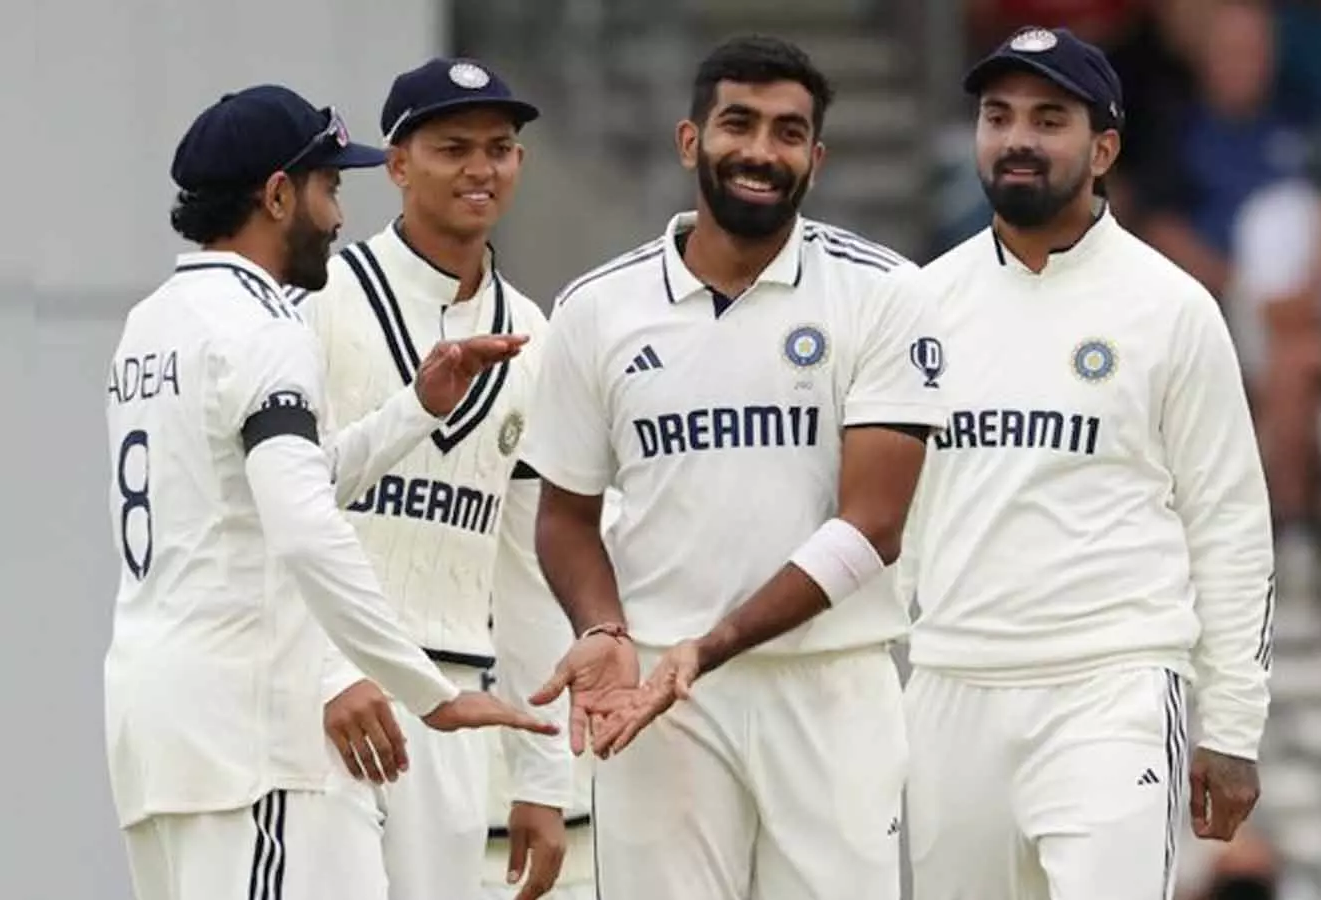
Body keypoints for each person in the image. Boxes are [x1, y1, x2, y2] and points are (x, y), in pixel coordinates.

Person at [520, 35, 949, 900]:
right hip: (659, 699)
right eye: (738, 124)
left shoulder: (885, 293)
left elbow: (873, 528)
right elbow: (565, 518)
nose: (761, 151)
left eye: (788, 133)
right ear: (690, 141)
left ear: (816, 159)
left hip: (830, 687)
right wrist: (604, 631)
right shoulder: (597, 308)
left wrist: (710, 647)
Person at [104, 84, 557, 900]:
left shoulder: (153, 324)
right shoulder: (266, 327)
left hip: (156, 724)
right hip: (251, 737)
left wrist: (414, 411)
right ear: (279, 195)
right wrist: (428, 693)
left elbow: (271, 488)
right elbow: (305, 527)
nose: (341, 216)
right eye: (330, 187)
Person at [896, 27, 1275, 900]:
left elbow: (1230, 522)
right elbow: (888, 522)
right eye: (998, 116)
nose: (1017, 139)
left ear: (1103, 149)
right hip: (953, 683)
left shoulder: (1172, 307)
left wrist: (1232, 726)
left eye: (1048, 119)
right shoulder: (916, 306)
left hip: (1113, 685)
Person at [296, 58, 581, 900]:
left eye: (499, 148)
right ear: (397, 164)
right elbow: (270, 520)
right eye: (453, 148)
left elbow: (528, 567)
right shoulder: (322, 299)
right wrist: (326, 674)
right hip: (325, 696)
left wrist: (542, 776)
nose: (479, 169)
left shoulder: (534, 335)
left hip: (454, 701)